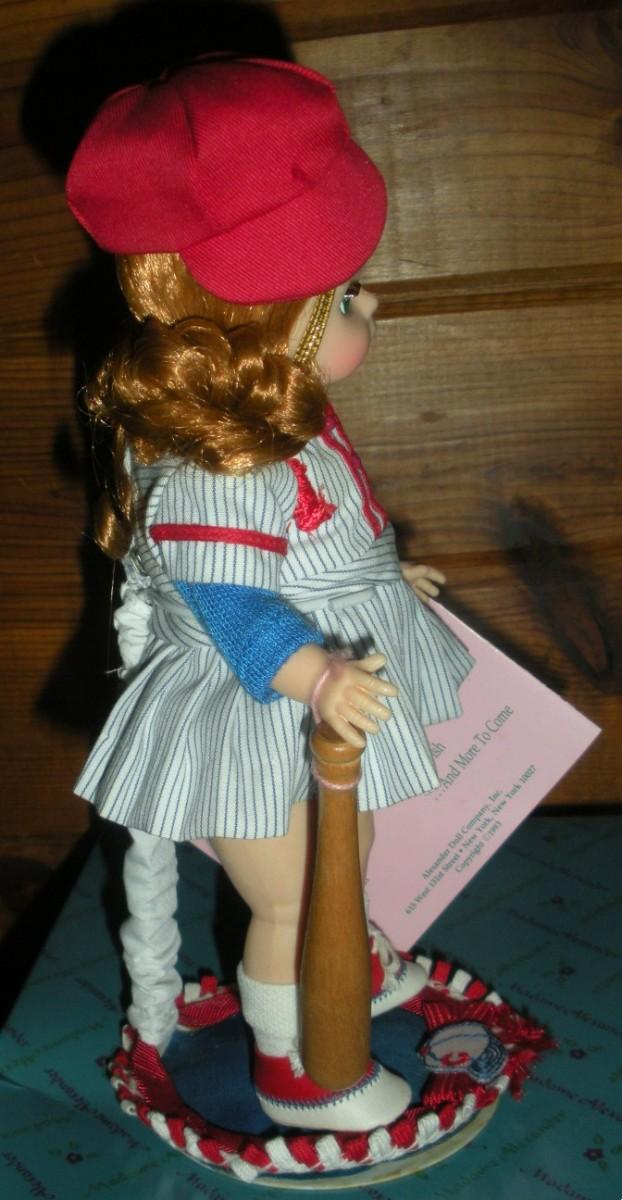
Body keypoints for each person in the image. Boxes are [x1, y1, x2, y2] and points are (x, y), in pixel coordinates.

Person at [66, 55, 473, 1132]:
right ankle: (301, 1068)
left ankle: (347, 967)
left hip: (311, 687)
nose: (371, 302)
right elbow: (235, 606)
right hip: (259, 703)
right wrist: (320, 676)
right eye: (343, 296)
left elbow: (311, 543)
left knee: (345, 855)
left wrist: (378, 581)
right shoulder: (219, 468)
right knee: (289, 895)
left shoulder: (285, 428)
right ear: (274, 326)